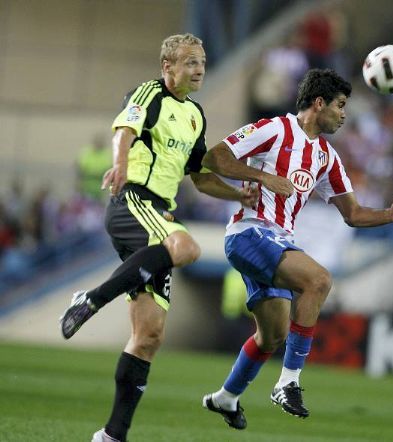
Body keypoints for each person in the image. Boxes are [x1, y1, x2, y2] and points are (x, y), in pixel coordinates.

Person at [200, 68, 393, 430]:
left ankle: (226, 397)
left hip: (278, 241)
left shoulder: (326, 157)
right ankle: (288, 382)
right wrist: (262, 176)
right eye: (340, 105)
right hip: (248, 233)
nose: (343, 113)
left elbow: (352, 214)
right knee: (318, 279)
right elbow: (213, 159)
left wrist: (389, 214)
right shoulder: (273, 129)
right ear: (318, 103)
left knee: (271, 335)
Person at [58, 33, 258, 442]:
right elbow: (124, 130)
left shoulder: (196, 115)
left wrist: (238, 193)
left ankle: (112, 435)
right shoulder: (149, 93)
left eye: (201, 62)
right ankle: (92, 298)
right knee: (187, 247)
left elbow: (201, 178)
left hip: (158, 217)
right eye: (189, 62)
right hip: (133, 201)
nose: (198, 69)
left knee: (149, 335)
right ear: (167, 67)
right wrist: (119, 164)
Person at [76, 133, 113, 201]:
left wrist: (93, 173)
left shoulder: (107, 154)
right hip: (86, 189)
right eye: (97, 142)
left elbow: (108, 170)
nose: (98, 144)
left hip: (102, 191)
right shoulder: (86, 153)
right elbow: (80, 169)